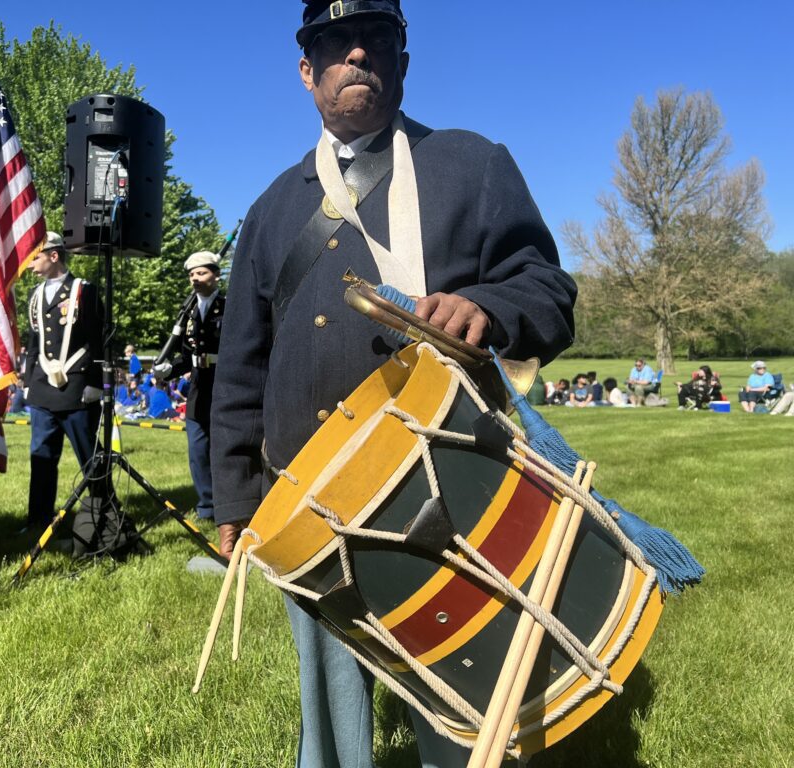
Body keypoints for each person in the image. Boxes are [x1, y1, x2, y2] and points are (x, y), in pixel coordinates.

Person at [209, 3, 577, 765]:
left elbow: (549, 292)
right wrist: (239, 501)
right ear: (307, 71)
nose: (357, 56)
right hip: (313, 495)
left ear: (403, 61)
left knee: (461, 694)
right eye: (333, 46)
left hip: (451, 483)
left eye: (376, 40)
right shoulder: (272, 207)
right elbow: (243, 362)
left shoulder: (471, 165)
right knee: (334, 705)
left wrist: (486, 305)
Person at [22, 231, 104, 529]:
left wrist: (95, 382)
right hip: (44, 389)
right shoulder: (35, 297)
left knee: (89, 458)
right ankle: (38, 521)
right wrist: (29, 381)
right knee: (41, 457)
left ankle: (101, 514)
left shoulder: (84, 291)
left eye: (35, 257)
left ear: (53, 255)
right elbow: (33, 344)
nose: (30, 265)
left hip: (78, 387)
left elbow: (98, 340)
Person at [155, 251, 225, 521]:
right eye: (192, 274)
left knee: (223, 448)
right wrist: (170, 370)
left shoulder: (229, 306)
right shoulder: (188, 312)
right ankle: (207, 505)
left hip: (223, 386)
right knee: (197, 449)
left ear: (216, 275)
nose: (195, 278)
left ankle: (229, 502)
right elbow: (187, 357)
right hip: (198, 388)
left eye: (202, 273)